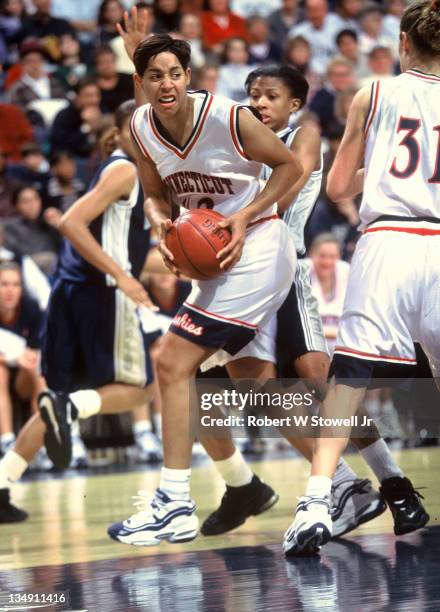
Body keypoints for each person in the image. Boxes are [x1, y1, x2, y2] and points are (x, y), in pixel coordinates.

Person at [97, 33, 302, 546]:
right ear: (140, 82)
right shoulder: (141, 126)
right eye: (154, 75)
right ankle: (346, 482)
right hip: (213, 262)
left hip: (256, 247)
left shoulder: (229, 117)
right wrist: (161, 223)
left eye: (174, 74)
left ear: (189, 77)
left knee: (170, 362)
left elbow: (289, 165)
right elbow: (153, 193)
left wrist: (246, 215)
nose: (166, 83)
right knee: (248, 386)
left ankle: (174, 503)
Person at [284, 0, 435, 555]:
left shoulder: (375, 92)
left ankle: (317, 501)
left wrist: (390, 172)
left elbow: (340, 184)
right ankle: (394, 493)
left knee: (346, 379)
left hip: (391, 240)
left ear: (402, 44)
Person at [0, 100, 160, 522]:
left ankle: (0, 484)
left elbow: (123, 249)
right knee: (139, 389)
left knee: (56, 400)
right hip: (102, 293)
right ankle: (70, 411)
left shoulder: (119, 165)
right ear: (125, 132)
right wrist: (124, 278)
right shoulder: (125, 169)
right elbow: (70, 223)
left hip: (71, 292)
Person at [0, 263, 45, 456]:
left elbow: (36, 351)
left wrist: (25, 358)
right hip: (4, 375)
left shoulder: (31, 309)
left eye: (16, 285)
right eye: (4, 284)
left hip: (22, 382)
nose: (10, 291)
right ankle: (7, 441)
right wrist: (11, 356)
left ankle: (42, 442)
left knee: (37, 368)